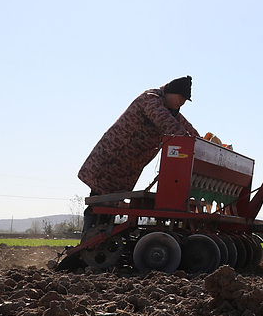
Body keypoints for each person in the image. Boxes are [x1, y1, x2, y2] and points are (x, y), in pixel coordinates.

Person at [78, 76, 199, 227]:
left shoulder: (172, 112)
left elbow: (187, 128)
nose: (181, 103)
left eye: (185, 100)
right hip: (110, 159)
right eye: (180, 98)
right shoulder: (150, 100)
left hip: (125, 166)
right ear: (170, 92)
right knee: (99, 202)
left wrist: (200, 143)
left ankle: (99, 241)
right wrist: (187, 140)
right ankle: (89, 243)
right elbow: (165, 122)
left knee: (109, 206)